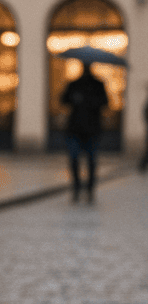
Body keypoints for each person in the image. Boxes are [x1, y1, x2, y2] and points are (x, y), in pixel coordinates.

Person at [60, 62, 109, 201]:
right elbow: (63, 100)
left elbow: (105, 102)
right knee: (74, 159)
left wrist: (90, 101)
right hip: (75, 129)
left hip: (92, 129)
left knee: (91, 161)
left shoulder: (98, 85)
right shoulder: (74, 84)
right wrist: (74, 99)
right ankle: (76, 187)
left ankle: (90, 189)